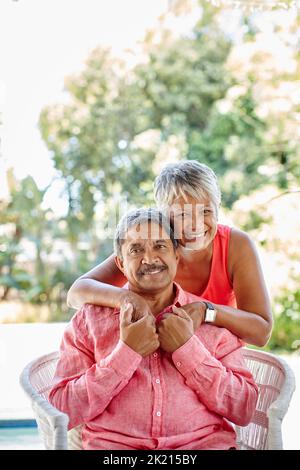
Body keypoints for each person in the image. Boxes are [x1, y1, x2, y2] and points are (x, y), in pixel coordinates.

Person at [49, 208, 258, 450]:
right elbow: (62, 410)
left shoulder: (208, 319)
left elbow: (244, 408)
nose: (149, 259)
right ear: (121, 263)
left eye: (160, 246)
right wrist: (125, 354)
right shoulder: (89, 321)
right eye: (136, 250)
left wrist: (188, 350)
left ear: (177, 256)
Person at [67, 160, 272, 347]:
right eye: (182, 214)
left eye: (206, 211)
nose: (196, 224)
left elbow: (261, 333)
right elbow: (76, 294)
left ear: (218, 207)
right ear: (165, 217)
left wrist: (205, 311)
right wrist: (127, 299)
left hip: (216, 363)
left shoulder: (236, 245)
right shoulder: (152, 248)